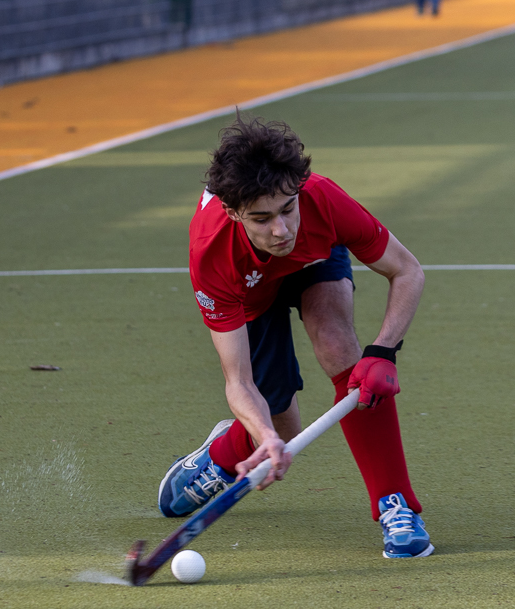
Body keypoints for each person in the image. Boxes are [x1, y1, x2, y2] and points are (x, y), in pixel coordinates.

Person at [156, 114, 433, 559]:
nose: (281, 230)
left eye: (287, 209)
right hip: (250, 289)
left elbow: (407, 271)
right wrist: (265, 435)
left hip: (314, 261)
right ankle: (220, 457)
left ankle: (394, 502)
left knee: (339, 346)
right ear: (233, 213)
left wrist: (383, 351)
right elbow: (238, 382)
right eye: (261, 218)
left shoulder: (322, 198)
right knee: (280, 420)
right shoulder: (211, 254)